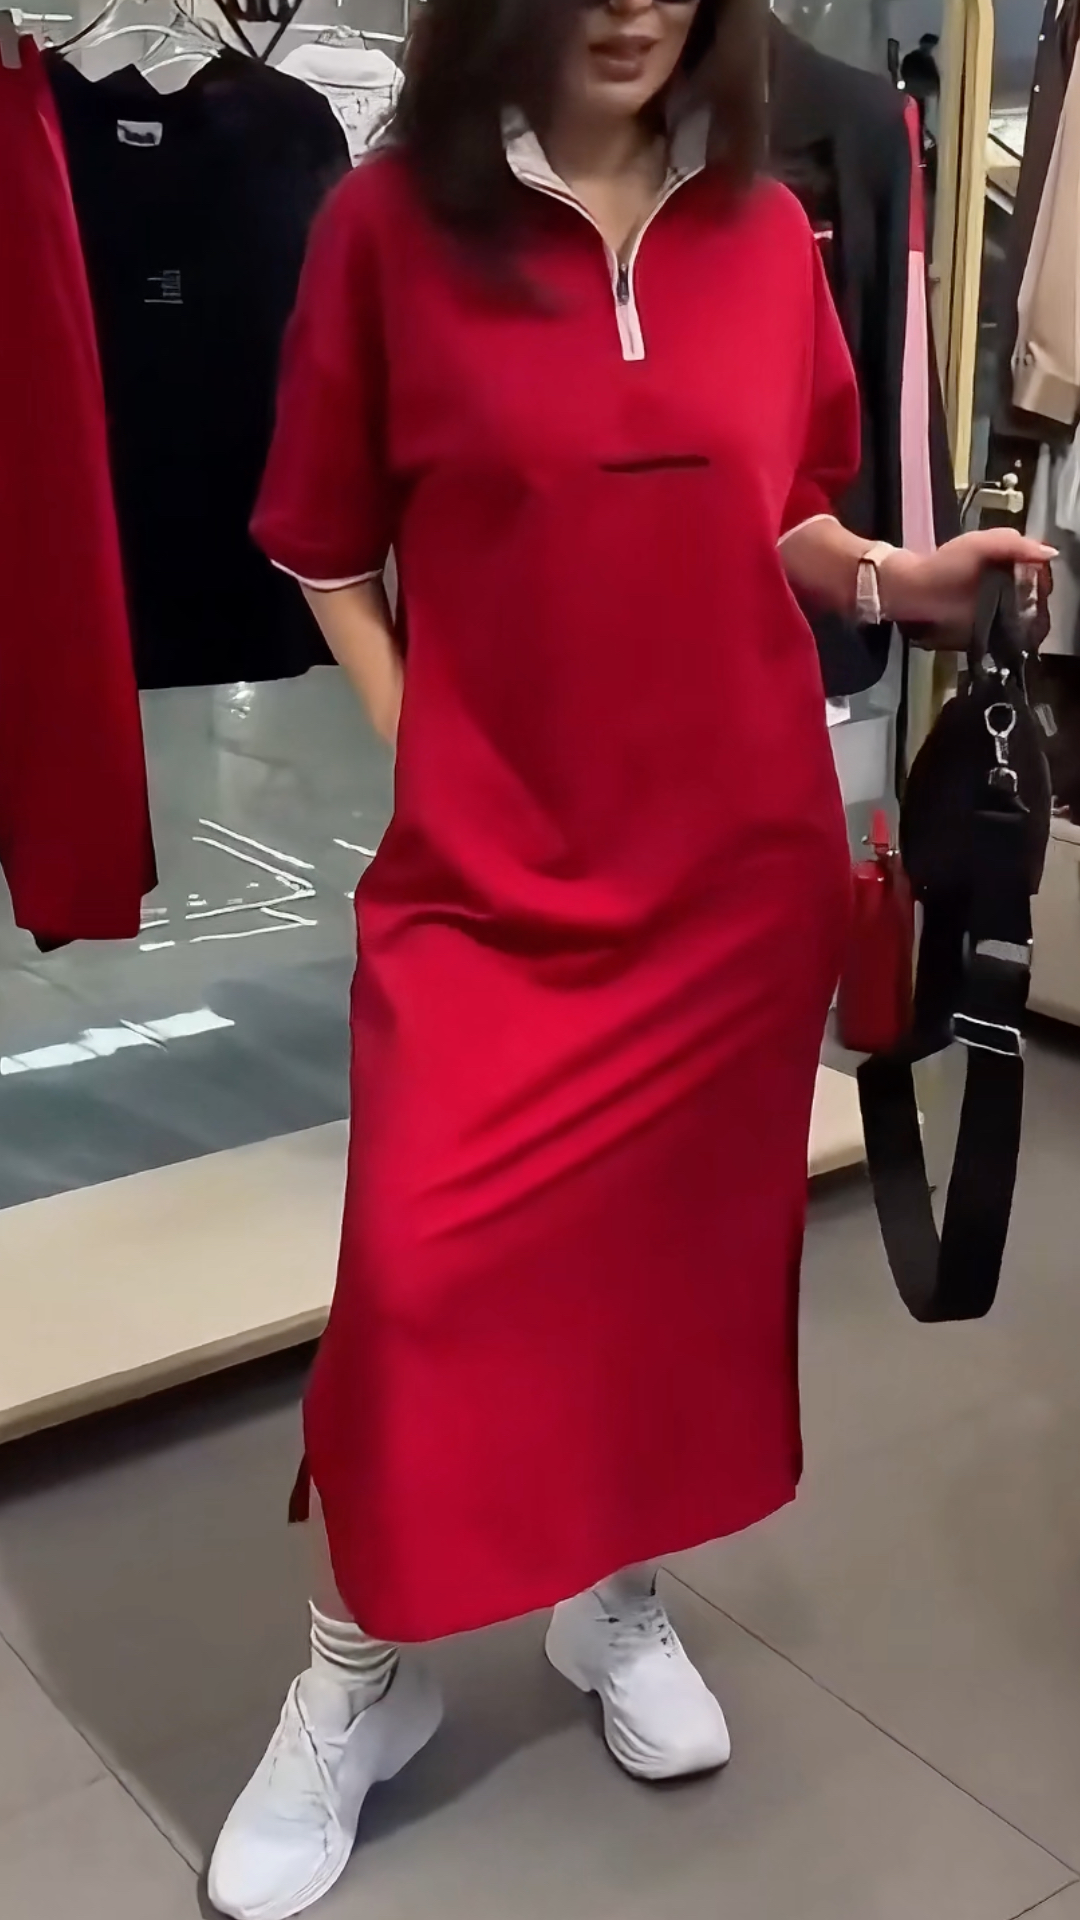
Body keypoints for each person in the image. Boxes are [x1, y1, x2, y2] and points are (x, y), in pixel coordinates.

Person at [208, 3, 1052, 1915]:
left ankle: (615, 1596)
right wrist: (425, 739)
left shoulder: (764, 229)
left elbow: (785, 511)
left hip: (729, 880)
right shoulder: (385, 231)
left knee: (671, 1281)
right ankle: (360, 1677)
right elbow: (323, 545)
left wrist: (892, 575)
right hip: (488, 892)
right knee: (416, 1284)